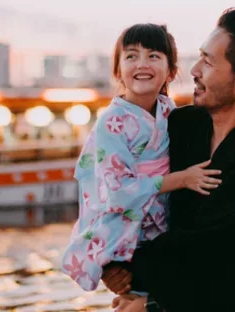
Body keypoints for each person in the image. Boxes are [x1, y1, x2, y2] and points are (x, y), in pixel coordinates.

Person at [103, 8, 235, 312]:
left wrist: (151, 303)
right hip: (142, 294)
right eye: (199, 57)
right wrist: (108, 261)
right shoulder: (176, 127)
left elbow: (233, 266)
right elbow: (116, 185)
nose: (194, 70)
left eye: (208, 62)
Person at [61, 23, 222, 293]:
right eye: (131, 56)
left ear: (171, 71)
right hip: (128, 243)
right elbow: (117, 193)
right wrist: (181, 179)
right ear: (118, 71)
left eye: (154, 56)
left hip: (163, 237)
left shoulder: (169, 111)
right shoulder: (111, 123)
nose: (142, 63)